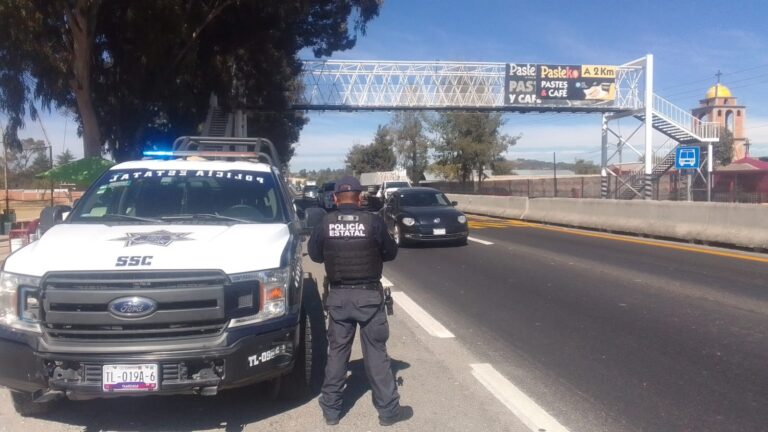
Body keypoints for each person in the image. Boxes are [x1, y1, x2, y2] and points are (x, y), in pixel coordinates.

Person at [308, 175, 412, 427]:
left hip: (339, 299)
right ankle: (388, 412)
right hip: (368, 298)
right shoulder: (373, 222)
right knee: (376, 354)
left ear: (335, 198)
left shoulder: (325, 222)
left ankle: (331, 411)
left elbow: (314, 254)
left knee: (337, 355)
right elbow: (390, 252)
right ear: (359, 197)